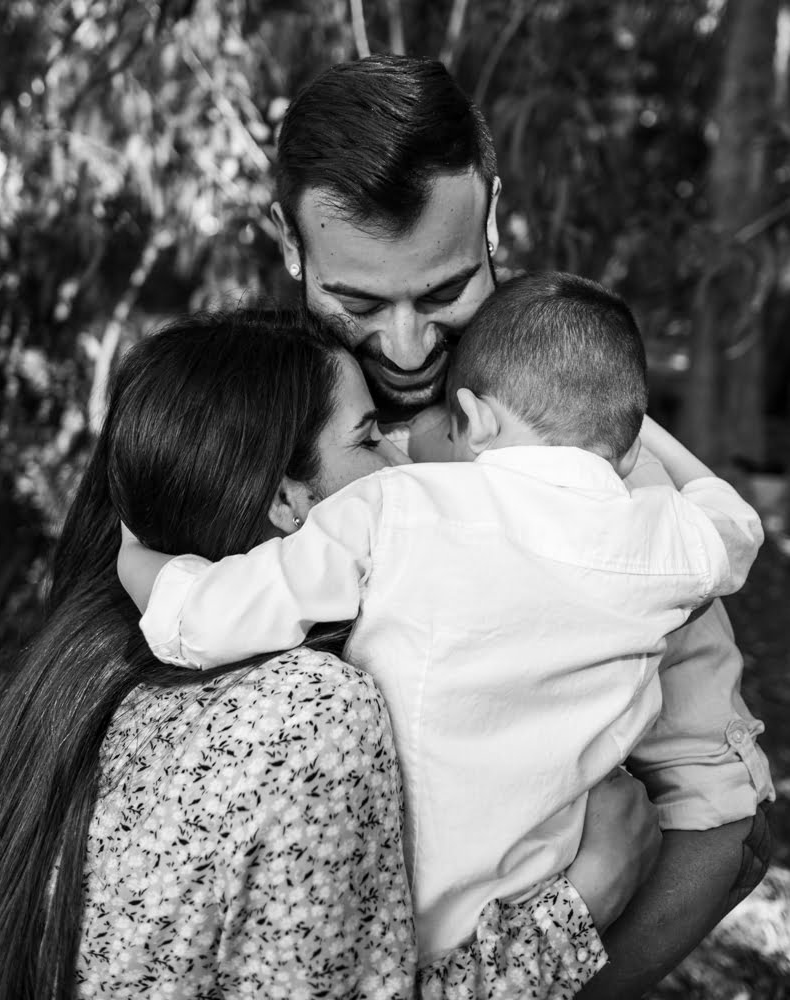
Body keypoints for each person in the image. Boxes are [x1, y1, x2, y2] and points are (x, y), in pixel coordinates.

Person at [268, 54, 774, 995]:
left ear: (492, 216)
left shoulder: (591, 448)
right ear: (288, 242)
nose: (406, 346)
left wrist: (566, 965)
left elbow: (718, 817)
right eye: (358, 302)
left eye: (443, 291)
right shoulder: (233, 409)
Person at [0, 308, 658, 1000]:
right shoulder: (310, 709)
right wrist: (585, 899)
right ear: (287, 499)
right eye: (368, 439)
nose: (403, 462)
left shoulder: (85, 669)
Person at [124, 272, 765, 964]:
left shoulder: (397, 506)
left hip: (387, 908)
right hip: (534, 915)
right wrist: (632, 430)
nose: (406, 447)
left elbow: (205, 618)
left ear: (476, 419)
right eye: (374, 435)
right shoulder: (662, 541)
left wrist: (132, 552)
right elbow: (736, 523)